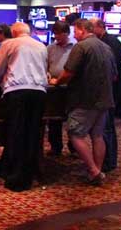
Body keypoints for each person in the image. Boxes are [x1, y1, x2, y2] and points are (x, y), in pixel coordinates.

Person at [50, 19, 117, 186]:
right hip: (105, 99)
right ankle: (97, 170)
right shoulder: (105, 47)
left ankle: (94, 171)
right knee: (97, 136)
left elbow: (68, 73)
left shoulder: (81, 47)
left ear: (81, 30)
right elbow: (115, 75)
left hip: (85, 99)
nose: (74, 34)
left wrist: (56, 82)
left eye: (75, 31)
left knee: (75, 135)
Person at [0, 22, 48, 192]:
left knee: (16, 132)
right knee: (32, 133)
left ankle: (15, 176)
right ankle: (29, 173)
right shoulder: (41, 46)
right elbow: (45, 69)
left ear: (14, 32)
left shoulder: (9, 44)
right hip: (39, 92)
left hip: (17, 91)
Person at [89, 17, 121, 173]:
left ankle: (109, 161)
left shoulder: (111, 42)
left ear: (100, 27)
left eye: (91, 27)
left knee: (107, 127)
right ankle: (106, 160)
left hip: (112, 89)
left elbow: (113, 70)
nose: (90, 31)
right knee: (104, 127)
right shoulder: (103, 41)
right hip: (107, 89)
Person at [46, 21, 75, 156]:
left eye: (59, 34)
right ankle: (55, 147)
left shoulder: (76, 47)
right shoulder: (50, 48)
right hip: (54, 88)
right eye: (55, 34)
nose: (57, 37)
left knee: (72, 120)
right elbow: (45, 66)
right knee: (53, 119)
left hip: (71, 87)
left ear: (67, 33)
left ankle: (74, 148)